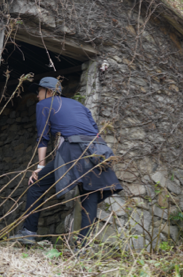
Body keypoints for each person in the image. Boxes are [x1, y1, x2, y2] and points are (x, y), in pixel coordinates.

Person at [10, 77, 122, 247]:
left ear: (48, 92)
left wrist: (40, 166)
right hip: (98, 150)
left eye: (38, 91)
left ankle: (28, 232)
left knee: (37, 183)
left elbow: (43, 137)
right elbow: (95, 132)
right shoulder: (80, 106)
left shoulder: (44, 104)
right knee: (89, 194)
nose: (37, 96)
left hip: (75, 148)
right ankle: (82, 246)